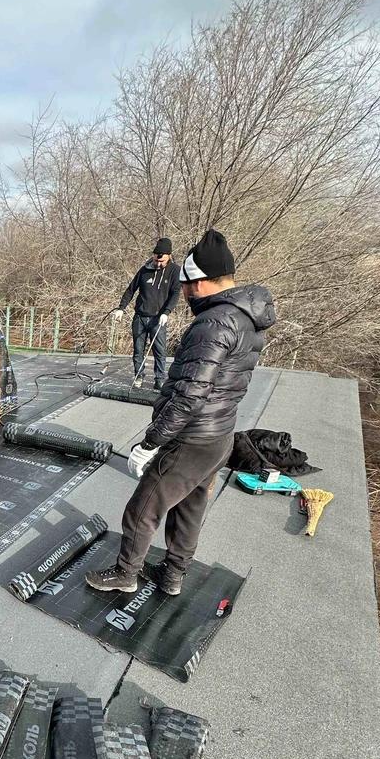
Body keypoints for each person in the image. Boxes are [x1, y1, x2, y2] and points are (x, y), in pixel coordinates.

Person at [87, 228, 275, 597]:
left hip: (192, 437)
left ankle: (126, 574)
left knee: (143, 507)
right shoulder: (248, 318)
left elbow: (190, 394)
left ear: (199, 282)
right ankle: (172, 576)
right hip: (220, 435)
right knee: (190, 508)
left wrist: (151, 442)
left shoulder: (214, 323)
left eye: (186, 286)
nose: (185, 293)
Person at [113, 238, 181, 389]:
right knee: (138, 350)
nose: (158, 263)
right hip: (140, 317)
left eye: (162, 261)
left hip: (158, 318)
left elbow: (176, 293)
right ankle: (138, 376)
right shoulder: (144, 270)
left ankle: (159, 379)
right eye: (156, 260)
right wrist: (121, 308)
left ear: (169, 256)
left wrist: (167, 312)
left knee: (159, 351)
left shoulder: (175, 271)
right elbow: (131, 290)